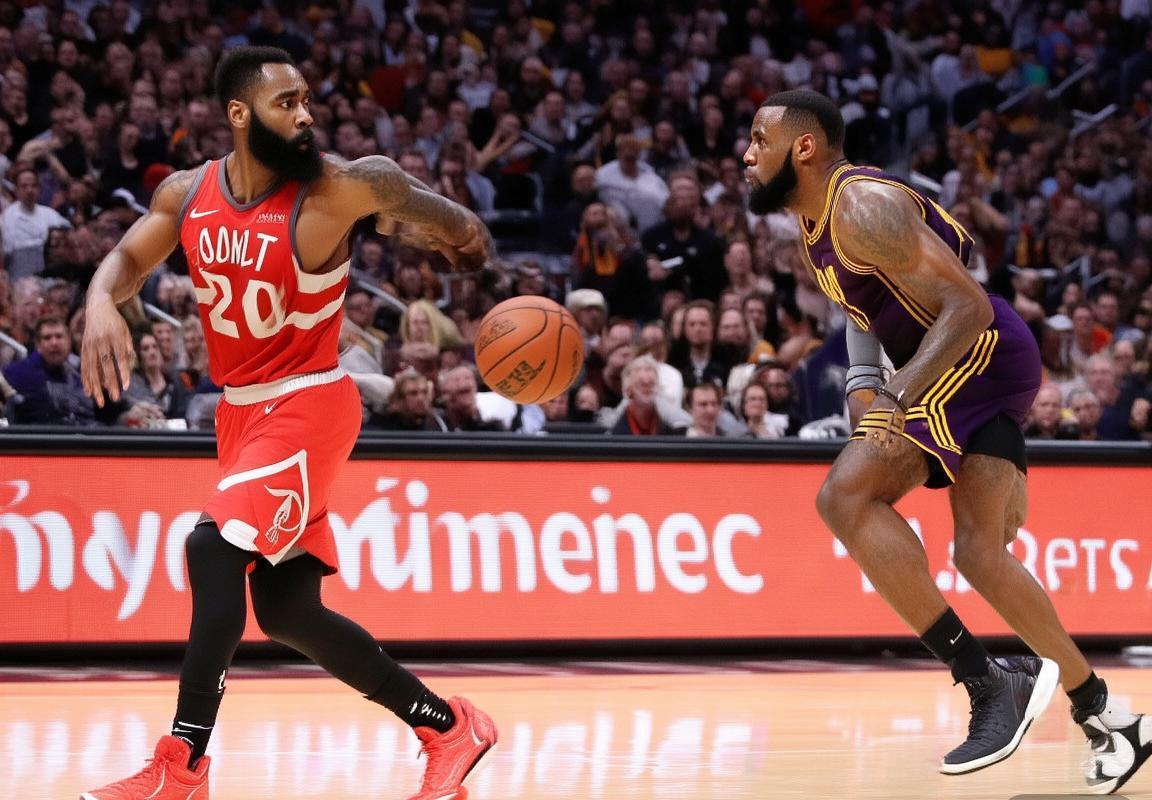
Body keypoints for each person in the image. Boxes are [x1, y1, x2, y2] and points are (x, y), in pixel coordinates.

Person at [79, 47, 497, 800]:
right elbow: (126, 260)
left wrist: (448, 229)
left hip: (308, 402)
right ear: (240, 114)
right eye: (286, 103)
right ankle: (447, 727)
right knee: (287, 612)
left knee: (211, 550)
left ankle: (183, 764)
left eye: (306, 99)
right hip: (241, 415)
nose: (305, 115)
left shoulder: (337, 188)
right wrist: (99, 301)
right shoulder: (187, 193)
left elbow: (447, 221)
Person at [743, 89, 1150, 793]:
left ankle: (989, 681)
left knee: (844, 497)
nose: (747, 154)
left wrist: (896, 395)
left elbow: (966, 304)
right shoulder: (815, 224)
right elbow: (864, 310)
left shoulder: (860, 205)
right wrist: (863, 386)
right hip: (980, 362)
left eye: (758, 139)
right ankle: (1110, 717)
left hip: (977, 352)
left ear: (802, 147)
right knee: (981, 554)